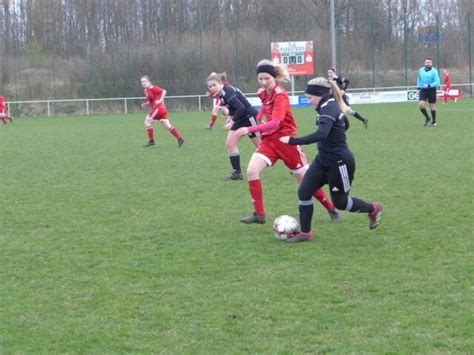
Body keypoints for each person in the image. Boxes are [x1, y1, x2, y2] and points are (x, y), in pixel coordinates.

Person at [235, 59, 340, 224]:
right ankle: (260, 214)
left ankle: (331, 208)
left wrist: (248, 129)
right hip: (269, 141)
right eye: (260, 79)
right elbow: (263, 108)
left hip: (287, 141)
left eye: (267, 79)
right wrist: (258, 118)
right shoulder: (263, 92)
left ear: (274, 77)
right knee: (251, 172)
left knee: (306, 182)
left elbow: (276, 122)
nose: (263, 82)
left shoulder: (281, 95)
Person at [279, 77, 383, 242]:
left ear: (320, 95)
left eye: (310, 98)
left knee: (340, 203)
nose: (308, 101)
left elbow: (321, 134)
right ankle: (306, 233)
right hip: (323, 160)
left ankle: (373, 208)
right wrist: (337, 133)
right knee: (304, 191)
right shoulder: (326, 107)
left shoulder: (329, 108)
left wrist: (292, 141)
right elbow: (345, 123)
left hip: (339, 162)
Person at [207, 72, 261, 180]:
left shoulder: (227, 91)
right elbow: (233, 108)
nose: (212, 88)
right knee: (230, 143)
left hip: (249, 117)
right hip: (240, 119)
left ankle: (291, 162)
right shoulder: (221, 94)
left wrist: (232, 122)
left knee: (262, 146)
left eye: (214, 85)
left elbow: (241, 107)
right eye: (210, 86)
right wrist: (230, 118)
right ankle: (237, 173)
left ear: (221, 83)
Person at [140, 76, 184, 147]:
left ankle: (151, 141)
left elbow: (164, 91)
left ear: (149, 81)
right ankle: (180, 139)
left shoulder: (152, 88)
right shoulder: (146, 91)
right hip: (160, 109)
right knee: (167, 124)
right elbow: (151, 100)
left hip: (158, 108)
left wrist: (160, 100)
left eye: (145, 81)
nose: (144, 83)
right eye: (142, 82)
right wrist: (146, 104)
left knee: (147, 121)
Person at [417, 58, 440, 127]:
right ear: (424, 63)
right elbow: (419, 79)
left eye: (429, 62)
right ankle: (427, 118)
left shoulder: (434, 71)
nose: (428, 63)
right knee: (421, 105)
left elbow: (437, 82)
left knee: (432, 106)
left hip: (431, 89)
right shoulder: (421, 70)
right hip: (423, 89)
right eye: (427, 62)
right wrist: (418, 88)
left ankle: (434, 121)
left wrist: (429, 85)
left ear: (431, 63)